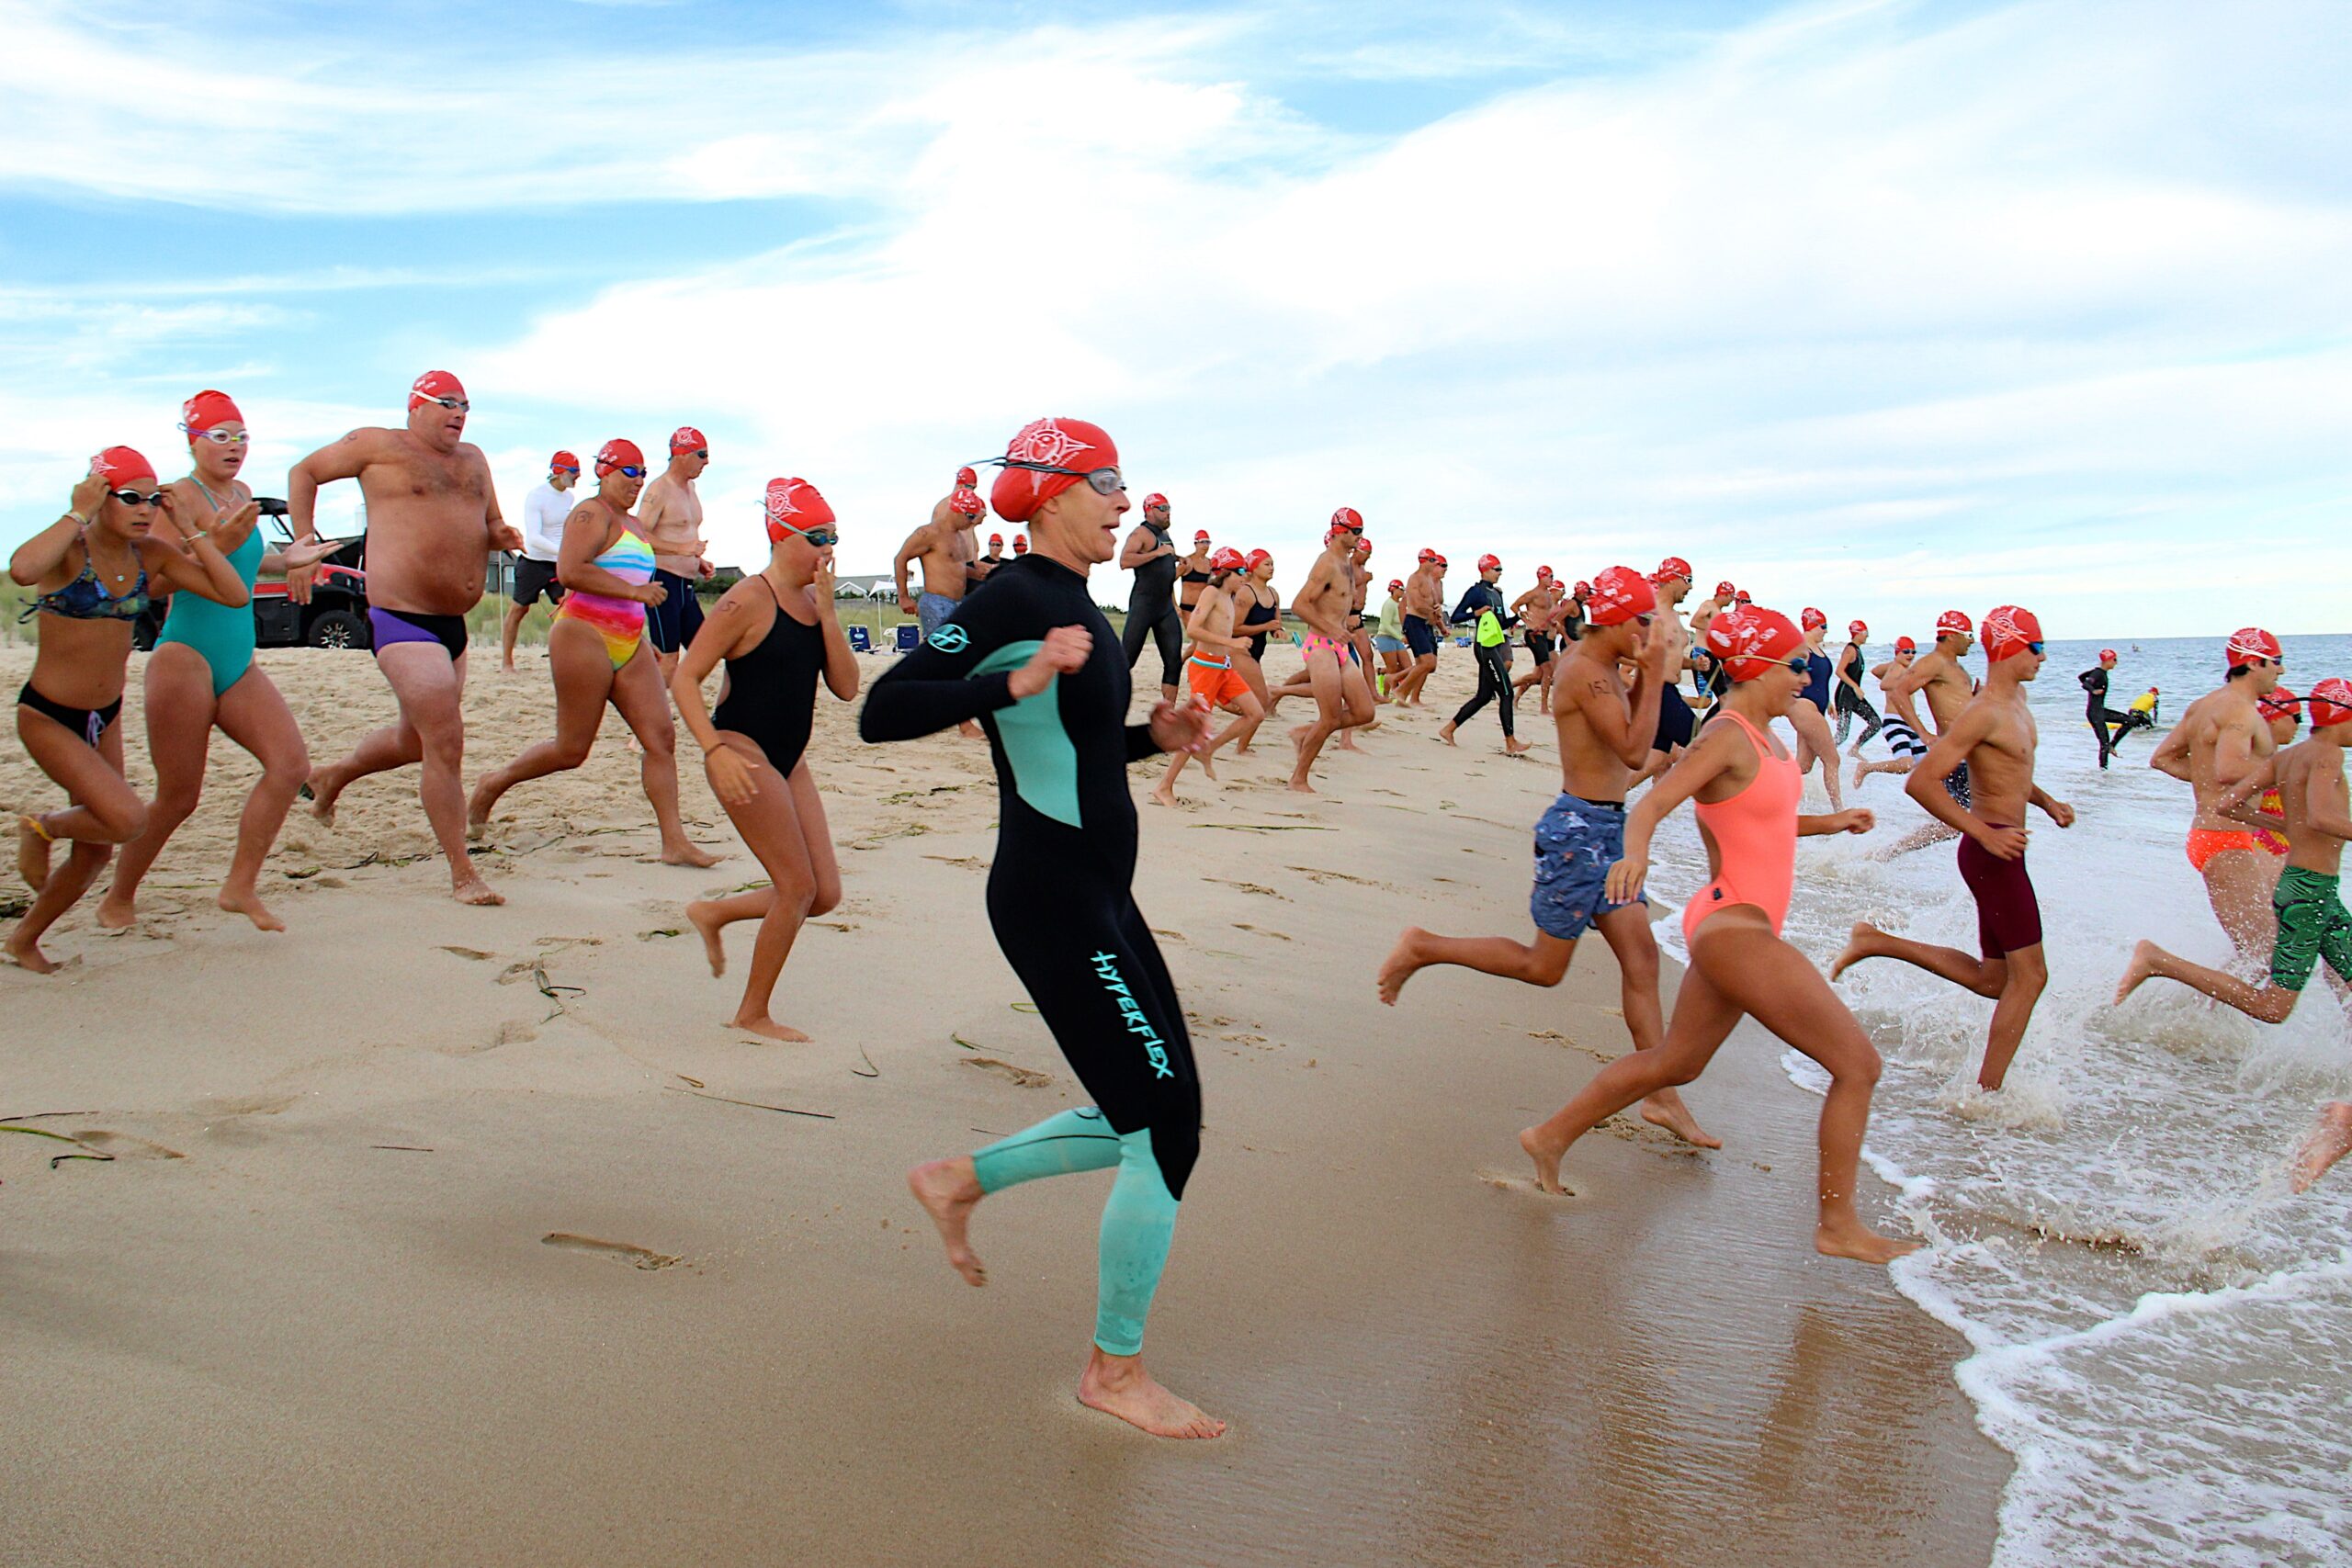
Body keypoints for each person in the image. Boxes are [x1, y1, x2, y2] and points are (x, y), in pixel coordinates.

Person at [872, 416, 1220, 1440]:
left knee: (1164, 1110)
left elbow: (1071, 747)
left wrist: (1144, 737)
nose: (1125, 503)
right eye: (1108, 483)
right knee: (1161, 1128)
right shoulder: (1016, 595)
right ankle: (1114, 1375)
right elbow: (885, 710)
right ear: (1054, 493)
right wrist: (1008, 681)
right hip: (1050, 897)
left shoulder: (1079, 604)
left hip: (1101, 893)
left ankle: (957, 1180)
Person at [1512, 605, 1907, 1262]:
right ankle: (1838, 1225)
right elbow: (1657, 801)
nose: (1807, 678)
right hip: (1735, 926)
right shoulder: (1725, 734)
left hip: (1736, 920)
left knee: (1678, 1062)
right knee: (1858, 1064)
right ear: (1757, 667)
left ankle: (1549, 1135)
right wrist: (1631, 853)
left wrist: (1831, 825)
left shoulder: (1768, 739)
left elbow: (1762, 822)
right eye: (1798, 666)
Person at [1378, 566, 1714, 1148]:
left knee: (1641, 963)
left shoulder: (1608, 667)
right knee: (1544, 969)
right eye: (1640, 621)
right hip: (1578, 832)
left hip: (1608, 829)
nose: (1647, 632)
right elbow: (1635, 749)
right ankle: (1424, 946)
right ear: (1612, 619)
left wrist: (1645, 678)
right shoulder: (1585, 671)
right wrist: (1657, 677)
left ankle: (1662, 1099)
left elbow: (1633, 733)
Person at [96, 390, 339, 934]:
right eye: (220, 436)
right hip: (185, 653)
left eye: (242, 436)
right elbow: (153, 582)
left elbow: (241, 565)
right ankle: (118, 897)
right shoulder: (175, 498)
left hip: (237, 656)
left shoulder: (244, 493)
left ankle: (239, 886)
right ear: (192, 439)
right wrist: (209, 539)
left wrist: (286, 559)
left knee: (289, 765)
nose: (235, 447)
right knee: (179, 795)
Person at [11, 447, 250, 971]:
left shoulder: (152, 554)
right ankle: (41, 826)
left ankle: (24, 939)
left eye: (151, 499)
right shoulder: (71, 550)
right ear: (99, 497)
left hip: (106, 715)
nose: (144, 509)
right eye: (128, 498)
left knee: (97, 849)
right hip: (49, 715)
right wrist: (77, 511)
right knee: (125, 820)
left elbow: (232, 594)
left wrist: (187, 528)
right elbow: (23, 570)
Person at [291, 371, 524, 906]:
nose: (458, 413)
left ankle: (333, 777)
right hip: (402, 618)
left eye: (465, 405)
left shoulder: (474, 460)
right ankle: (462, 873)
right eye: (446, 403)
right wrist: (305, 538)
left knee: (414, 740)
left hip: (453, 625)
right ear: (415, 406)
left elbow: (490, 522)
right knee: (445, 741)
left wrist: (500, 535)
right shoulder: (379, 446)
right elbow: (304, 471)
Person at [2115, 678, 2352, 1190]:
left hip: (2301, 881)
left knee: (2328, 978)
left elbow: (2226, 799)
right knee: (2271, 996)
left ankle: (2344, 1111)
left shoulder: (2287, 759)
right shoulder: (2318, 759)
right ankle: (2161, 965)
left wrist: (2282, 821)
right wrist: (2302, 822)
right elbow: (2326, 816)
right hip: (2298, 884)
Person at [1832, 607, 2073, 1092]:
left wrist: (2047, 803)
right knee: (2031, 978)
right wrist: (1982, 833)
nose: (2045, 658)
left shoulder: (2016, 701)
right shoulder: (1981, 713)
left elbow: (2013, 771)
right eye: (2038, 648)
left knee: (1994, 980)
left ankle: (1876, 942)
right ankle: (1987, 1095)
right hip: (1991, 854)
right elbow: (1921, 783)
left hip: (2005, 848)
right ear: (2009, 647)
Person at [464, 438, 718, 868]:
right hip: (582, 634)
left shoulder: (635, 526)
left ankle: (674, 842)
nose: (637, 482)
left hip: (628, 639)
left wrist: (687, 573)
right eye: (628, 473)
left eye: (641, 472)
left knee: (661, 739)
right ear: (604, 471)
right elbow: (570, 571)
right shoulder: (589, 513)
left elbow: (641, 574)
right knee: (572, 750)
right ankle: (493, 784)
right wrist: (634, 591)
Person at [674, 478, 858, 1040]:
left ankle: (716, 913)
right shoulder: (745, 600)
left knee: (823, 895)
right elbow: (686, 678)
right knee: (796, 888)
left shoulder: (812, 601)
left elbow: (847, 689)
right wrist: (712, 751)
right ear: (782, 537)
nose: (828, 548)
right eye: (817, 536)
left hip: (789, 757)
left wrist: (828, 614)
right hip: (739, 747)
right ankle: (751, 1013)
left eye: (834, 536)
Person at [2145, 629, 2289, 967]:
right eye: (2277, 662)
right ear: (2254, 663)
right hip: (2225, 839)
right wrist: (2286, 769)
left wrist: (2211, 777)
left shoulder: (2203, 706)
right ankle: (2156, 964)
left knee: (2255, 956)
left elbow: (2163, 758)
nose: (2281, 671)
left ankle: (2197, 1018)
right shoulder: (2240, 710)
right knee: (2264, 955)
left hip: (2211, 835)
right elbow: (2229, 768)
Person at [1151, 548, 1264, 806]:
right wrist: (1231, 642)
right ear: (1226, 572)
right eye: (1242, 572)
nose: (1245, 577)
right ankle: (1164, 787)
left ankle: (1209, 749)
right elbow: (1193, 629)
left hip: (1223, 668)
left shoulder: (1229, 596)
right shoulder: (1211, 592)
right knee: (1193, 729)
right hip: (1205, 669)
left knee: (1256, 713)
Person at [1285, 510, 1377, 794]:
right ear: (1339, 531)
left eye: (1361, 531)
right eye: (1356, 531)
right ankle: (1298, 779)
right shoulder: (1326, 563)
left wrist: (1346, 621)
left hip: (1339, 644)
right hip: (1321, 646)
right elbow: (1299, 604)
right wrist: (1330, 627)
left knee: (1365, 712)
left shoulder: (1347, 564)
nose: (1360, 537)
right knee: (1330, 718)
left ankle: (1304, 733)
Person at [1873, 611, 1977, 854]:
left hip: (1967, 752)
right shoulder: (1934, 662)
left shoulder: (1953, 665)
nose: (1972, 641)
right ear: (1952, 636)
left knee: (1960, 822)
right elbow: (1899, 691)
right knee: (1963, 821)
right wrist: (1921, 732)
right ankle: (1890, 851)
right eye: (1969, 635)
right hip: (1955, 753)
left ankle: (1891, 851)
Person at [636, 427, 713, 682]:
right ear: (682, 455)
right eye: (702, 455)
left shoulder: (690, 489)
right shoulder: (659, 489)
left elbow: (681, 534)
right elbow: (638, 535)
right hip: (662, 580)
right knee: (667, 658)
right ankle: (657, 714)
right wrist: (682, 550)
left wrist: (698, 561)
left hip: (686, 584)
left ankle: (679, 701)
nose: (706, 462)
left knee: (705, 651)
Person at [1437, 554, 1530, 754]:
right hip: (1483, 647)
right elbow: (1456, 616)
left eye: (1501, 569)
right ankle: (1510, 742)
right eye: (1497, 569)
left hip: (1493, 645)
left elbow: (1501, 623)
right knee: (1506, 692)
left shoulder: (1497, 593)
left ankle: (1448, 729)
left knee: (1484, 696)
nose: (1500, 573)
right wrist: (1475, 614)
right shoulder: (1476, 592)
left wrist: (1517, 618)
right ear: (1485, 569)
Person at [502, 450, 578, 671]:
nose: (577, 477)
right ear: (559, 472)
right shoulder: (537, 496)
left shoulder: (569, 497)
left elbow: (562, 530)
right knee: (519, 610)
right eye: (573, 472)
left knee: (568, 606)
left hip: (557, 563)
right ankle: (507, 661)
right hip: (533, 561)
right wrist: (562, 551)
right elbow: (534, 537)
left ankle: (566, 658)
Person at [894, 468, 987, 642]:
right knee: (939, 655)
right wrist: (904, 597)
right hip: (937, 602)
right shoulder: (929, 533)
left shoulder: (959, 536)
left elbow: (953, 567)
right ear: (958, 511)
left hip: (957, 602)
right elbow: (900, 558)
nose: (972, 523)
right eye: (970, 517)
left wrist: (979, 574)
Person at [1631, 557, 1700, 786]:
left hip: (1669, 690)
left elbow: (1672, 659)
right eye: (1688, 580)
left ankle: (1603, 801)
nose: (1690, 587)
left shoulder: (1675, 618)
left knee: (1658, 758)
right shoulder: (1650, 613)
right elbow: (1623, 650)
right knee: (1704, 745)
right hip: (1656, 692)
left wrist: (1695, 665)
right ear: (1672, 579)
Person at [1118, 492, 1183, 703]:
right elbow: (1125, 561)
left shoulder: (1165, 536)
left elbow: (1165, 575)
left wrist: (1182, 565)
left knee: (1174, 661)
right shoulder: (1141, 533)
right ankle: (1109, 703)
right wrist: (1156, 553)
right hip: (1143, 605)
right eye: (1163, 509)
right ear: (1149, 510)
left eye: (1169, 508)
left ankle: (1168, 714)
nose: (1168, 513)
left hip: (1164, 606)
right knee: (1126, 660)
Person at [1787, 608, 1846, 810]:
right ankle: (1839, 811)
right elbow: (1789, 673)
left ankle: (1768, 792)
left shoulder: (1816, 647)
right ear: (1812, 625)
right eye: (1824, 627)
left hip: (1815, 708)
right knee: (1832, 759)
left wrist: (1828, 703)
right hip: (1803, 707)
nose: (1826, 631)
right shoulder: (1802, 647)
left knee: (1803, 765)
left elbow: (1818, 680)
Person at [1227, 548, 1282, 755]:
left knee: (1254, 705)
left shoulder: (1273, 593)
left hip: (1256, 652)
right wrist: (1265, 627)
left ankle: (1241, 744)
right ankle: (1240, 747)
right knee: (1261, 702)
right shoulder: (1245, 593)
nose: (1271, 567)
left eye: (1272, 563)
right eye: (1266, 564)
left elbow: (1276, 623)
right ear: (1254, 567)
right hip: (1239, 650)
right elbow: (1234, 628)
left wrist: (1278, 631)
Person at [1854, 637, 1929, 786]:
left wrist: (1894, 666)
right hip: (1895, 722)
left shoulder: (1897, 667)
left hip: (1909, 723)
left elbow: (1875, 670)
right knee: (1905, 765)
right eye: (1906, 652)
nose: (1911, 655)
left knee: (1926, 766)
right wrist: (1907, 680)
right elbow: (1884, 684)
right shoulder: (1898, 669)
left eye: (1913, 652)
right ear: (1897, 652)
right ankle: (1866, 767)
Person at [1509, 566, 1565, 711]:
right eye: (1550, 576)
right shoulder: (1533, 593)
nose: (1552, 579)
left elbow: (1546, 615)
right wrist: (1523, 617)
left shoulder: (1548, 596)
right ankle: (1544, 708)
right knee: (1547, 670)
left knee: (1538, 675)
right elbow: (1514, 605)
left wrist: (1552, 624)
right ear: (1542, 577)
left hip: (1544, 636)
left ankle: (1508, 690)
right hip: (1534, 635)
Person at [1395, 548, 1446, 706]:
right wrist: (1432, 610)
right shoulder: (1415, 578)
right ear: (1423, 561)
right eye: (1434, 561)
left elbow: (1433, 603)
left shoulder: (1432, 581)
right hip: (1414, 622)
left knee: (1426, 664)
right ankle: (1400, 690)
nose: (1437, 565)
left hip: (1425, 623)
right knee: (1427, 662)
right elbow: (1416, 603)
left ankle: (1401, 688)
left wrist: (1438, 613)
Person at [2077, 649, 2135, 769]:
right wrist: (2093, 690)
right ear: (2108, 660)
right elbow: (2085, 684)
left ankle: (2112, 745)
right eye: (2115, 659)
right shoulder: (2098, 674)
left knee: (2130, 720)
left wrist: (2090, 678)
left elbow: (2081, 677)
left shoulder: (2099, 672)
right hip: (2094, 713)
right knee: (2103, 743)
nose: (2116, 662)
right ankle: (2103, 771)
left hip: (2100, 711)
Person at [1832, 620, 1883, 755]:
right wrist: (1855, 687)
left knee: (1876, 723)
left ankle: (1855, 749)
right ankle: (1823, 754)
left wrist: (1856, 690)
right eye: (1865, 632)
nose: (1867, 636)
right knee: (1842, 734)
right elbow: (1839, 671)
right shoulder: (1850, 650)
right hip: (1844, 696)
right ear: (1858, 633)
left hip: (1854, 696)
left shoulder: (1857, 650)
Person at [1372, 578, 1409, 697]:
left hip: (1396, 639)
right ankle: (1386, 695)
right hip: (1385, 638)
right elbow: (1386, 625)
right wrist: (1400, 637)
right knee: (1392, 668)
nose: (1403, 592)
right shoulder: (1389, 604)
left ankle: (1382, 672)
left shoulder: (1399, 605)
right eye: (1401, 589)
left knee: (1407, 667)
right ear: (1394, 590)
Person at [1176, 528, 1214, 619]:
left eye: (1207, 543)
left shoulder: (1211, 563)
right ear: (1195, 544)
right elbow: (1168, 581)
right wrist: (1174, 605)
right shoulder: (1187, 562)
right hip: (1187, 609)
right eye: (1202, 542)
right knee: (1192, 633)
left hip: (1204, 609)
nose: (1205, 546)